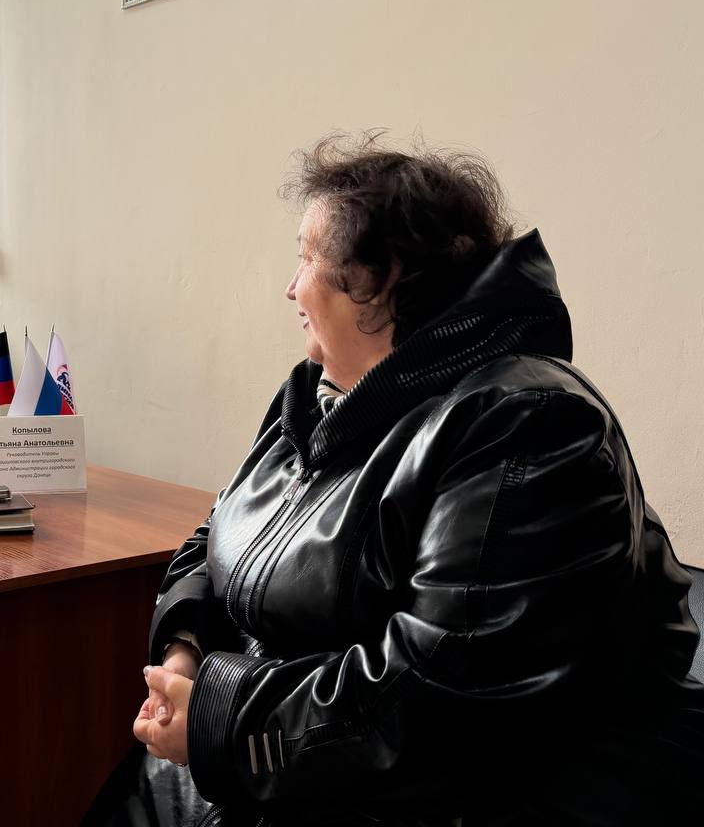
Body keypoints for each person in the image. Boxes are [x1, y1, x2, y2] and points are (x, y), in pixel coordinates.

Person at [89, 135, 704, 826]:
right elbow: (218, 539)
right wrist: (186, 652)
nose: (290, 287)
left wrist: (219, 720)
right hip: (267, 766)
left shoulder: (528, 425)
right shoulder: (318, 399)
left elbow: (435, 696)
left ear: (382, 280)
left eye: (306, 258)